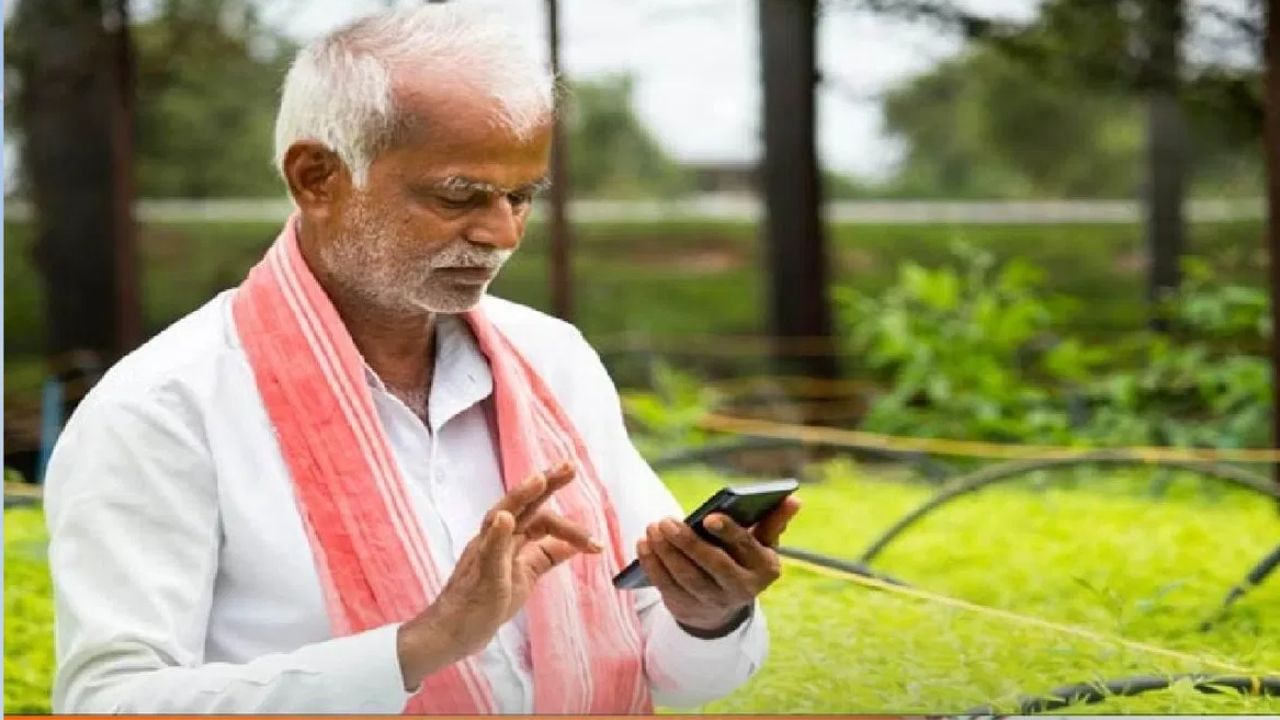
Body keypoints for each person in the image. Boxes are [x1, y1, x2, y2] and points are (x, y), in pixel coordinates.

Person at [44, 4, 800, 715]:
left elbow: (679, 673)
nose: (501, 234)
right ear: (318, 178)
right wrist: (419, 648)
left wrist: (708, 614)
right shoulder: (166, 405)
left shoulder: (552, 361)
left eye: (521, 196)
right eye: (459, 195)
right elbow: (110, 703)